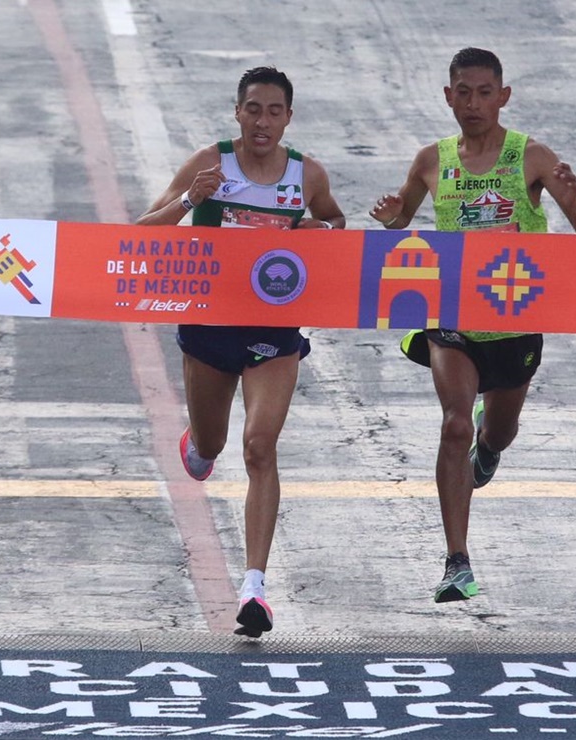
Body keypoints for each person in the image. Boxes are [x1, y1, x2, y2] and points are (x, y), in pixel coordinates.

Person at [369, 47, 576, 603]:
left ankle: (489, 450)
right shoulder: (432, 160)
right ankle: (456, 562)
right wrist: (390, 219)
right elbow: (402, 217)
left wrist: (571, 202)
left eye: (484, 93)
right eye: (463, 93)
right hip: (452, 315)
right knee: (454, 425)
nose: (473, 104)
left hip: (515, 317)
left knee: (496, 432)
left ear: (503, 96)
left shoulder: (532, 157)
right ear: (448, 96)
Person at [136, 66, 345, 637]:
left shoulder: (305, 174)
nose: (263, 121)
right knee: (214, 444)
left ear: (288, 118)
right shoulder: (210, 164)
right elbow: (140, 232)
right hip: (209, 323)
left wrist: (318, 233)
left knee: (259, 446)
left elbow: (335, 223)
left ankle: (254, 589)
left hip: (275, 325)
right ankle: (197, 448)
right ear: (238, 113)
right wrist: (187, 199)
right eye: (253, 109)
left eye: (274, 111)